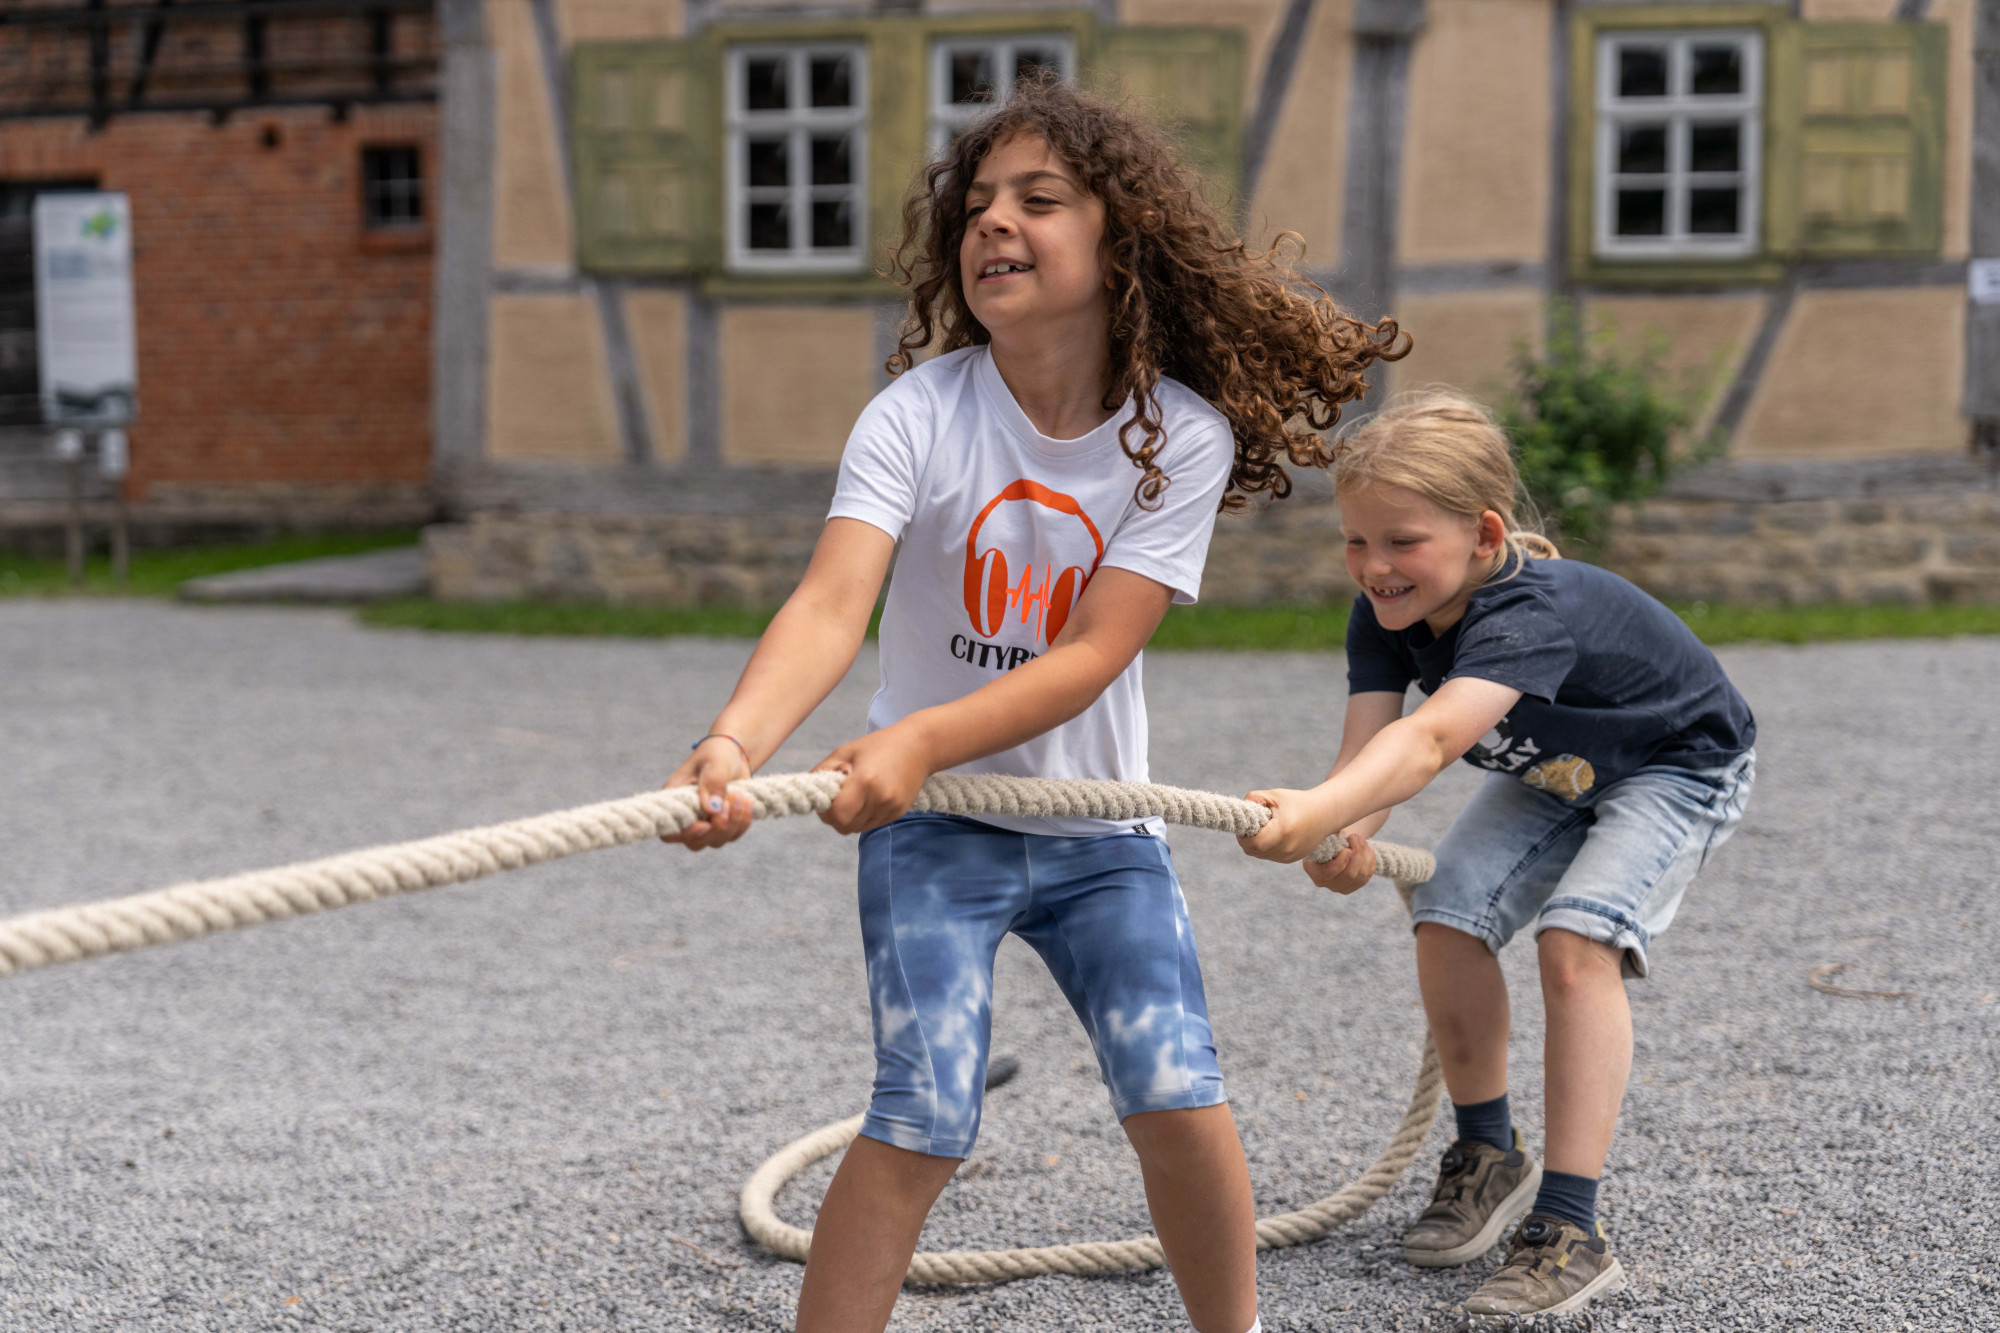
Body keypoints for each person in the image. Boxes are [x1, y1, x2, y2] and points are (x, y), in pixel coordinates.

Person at [660, 78, 1403, 1333]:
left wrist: (913, 736)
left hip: (1098, 837)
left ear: (1121, 242)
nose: (993, 221)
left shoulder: (1177, 433)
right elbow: (831, 605)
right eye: (976, 204)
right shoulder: (915, 413)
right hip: (929, 828)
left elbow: (1090, 652)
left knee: (1176, 1095)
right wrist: (734, 743)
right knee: (923, 1112)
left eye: (1038, 200)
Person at [1238, 392, 1755, 1320]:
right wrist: (1341, 830)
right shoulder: (1387, 615)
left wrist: (1322, 808)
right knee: (1446, 911)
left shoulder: (1529, 608)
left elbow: (1433, 741)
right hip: (1558, 768)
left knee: (1575, 943)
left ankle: (1571, 1228)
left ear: (1482, 535)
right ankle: (1488, 1153)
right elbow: (1372, 762)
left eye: (1400, 541)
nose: (1375, 567)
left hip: (1674, 765)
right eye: (1356, 542)